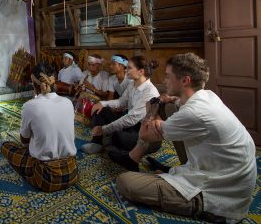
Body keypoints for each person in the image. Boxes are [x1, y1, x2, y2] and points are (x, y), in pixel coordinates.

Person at [115, 53, 256, 223]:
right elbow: (177, 103)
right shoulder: (208, 96)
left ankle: (205, 208)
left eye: (168, 76)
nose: (165, 81)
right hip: (230, 177)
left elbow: (144, 134)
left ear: (185, 81)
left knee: (125, 182)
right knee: (170, 110)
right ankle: (178, 171)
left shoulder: (193, 113)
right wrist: (169, 99)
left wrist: (150, 111)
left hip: (220, 194)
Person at [1, 63, 78, 192]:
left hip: (46, 176)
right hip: (71, 171)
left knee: (6, 146)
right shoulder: (68, 102)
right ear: (54, 81)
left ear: (35, 84)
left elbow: (24, 141)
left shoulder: (30, 106)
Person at [81, 56, 159, 154]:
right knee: (100, 109)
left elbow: (132, 118)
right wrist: (102, 103)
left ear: (141, 72)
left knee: (117, 136)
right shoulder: (133, 84)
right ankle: (97, 142)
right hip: (130, 125)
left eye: (129, 68)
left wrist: (104, 129)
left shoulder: (150, 92)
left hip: (142, 131)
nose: (126, 70)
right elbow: (122, 101)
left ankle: (116, 144)